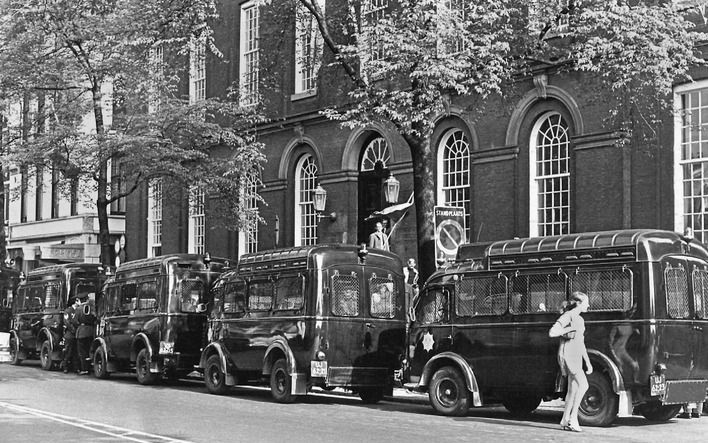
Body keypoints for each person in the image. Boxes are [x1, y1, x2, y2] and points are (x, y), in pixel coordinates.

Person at [548, 291, 593, 433]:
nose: (589, 305)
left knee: (573, 390)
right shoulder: (568, 316)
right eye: (586, 303)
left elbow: (581, 343)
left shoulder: (580, 319)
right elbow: (552, 332)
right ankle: (573, 418)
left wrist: (588, 362)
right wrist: (570, 328)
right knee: (584, 385)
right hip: (569, 355)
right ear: (579, 303)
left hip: (577, 356)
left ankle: (564, 419)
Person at [75, 296, 96, 375]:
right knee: (89, 351)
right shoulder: (93, 308)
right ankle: (89, 368)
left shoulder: (80, 308)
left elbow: (75, 320)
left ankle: (84, 369)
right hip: (91, 331)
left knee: (82, 352)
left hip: (82, 332)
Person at [61, 297, 80, 374]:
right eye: (79, 301)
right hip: (70, 334)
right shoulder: (68, 311)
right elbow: (67, 322)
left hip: (77, 334)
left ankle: (76, 368)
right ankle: (65, 367)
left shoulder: (78, 310)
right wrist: (73, 330)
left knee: (76, 352)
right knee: (68, 351)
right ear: (75, 301)